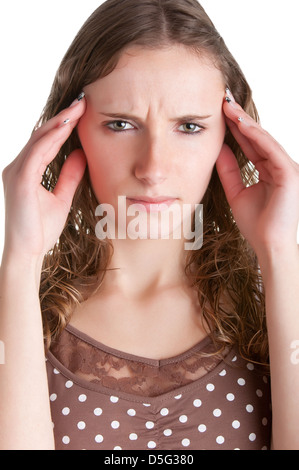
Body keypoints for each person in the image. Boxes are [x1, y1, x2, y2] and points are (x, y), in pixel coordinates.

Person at [0, 0, 298, 451]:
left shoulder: (273, 308)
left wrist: (279, 252)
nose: (153, 167)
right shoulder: (19, 311)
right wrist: (21, 260)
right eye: (121, 124)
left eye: (190, 126)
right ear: (70, 129)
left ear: (232, 134)